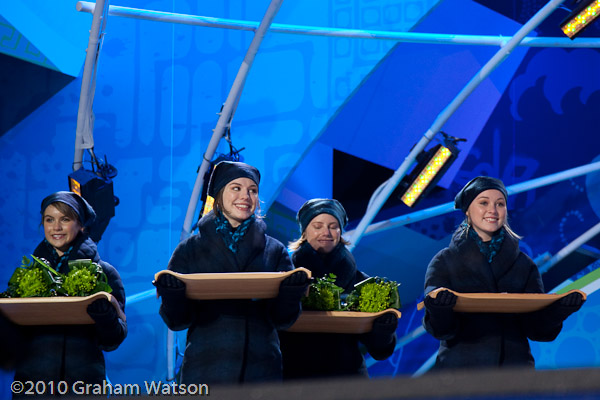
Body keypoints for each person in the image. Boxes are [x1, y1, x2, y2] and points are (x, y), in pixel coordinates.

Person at [155, 161, 308, 385]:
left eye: (252, 190)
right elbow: (177, 321)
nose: (245, 196)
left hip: (261, 372)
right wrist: (173, 296)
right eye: (236, 188)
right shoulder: (190, 249)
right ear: (219, 194)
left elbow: (283, 320)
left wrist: (290, 295)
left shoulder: (274, 250)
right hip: (205, 369)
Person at [422, 176, 585, 370]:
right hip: (461, 375)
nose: (493, 210)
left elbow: (537, 330)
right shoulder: (444, 261)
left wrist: (559, 311)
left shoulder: (524, 264)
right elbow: (441, 330)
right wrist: (440, 309)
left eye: (500, 204)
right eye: (484, 203)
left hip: (514, 375)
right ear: (467, 210)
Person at [0, 191, 127, 386]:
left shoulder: (105, 272)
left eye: (65, 219)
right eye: (49, 220)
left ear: (81, 225)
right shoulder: (27, 274)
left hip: (83, 385)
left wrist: (106, 319)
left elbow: (114, 340)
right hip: (32, 386)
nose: (56, 227)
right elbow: (14, 342)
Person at [279, 198, 398, 379]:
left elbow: (380, 351)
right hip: (292, 378)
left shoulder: (363, 284)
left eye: (333, 227)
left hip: (347, 381)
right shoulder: (284, 276)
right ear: (304, 231)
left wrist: (384, 332)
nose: (326, 232)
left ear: (340, 232)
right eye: (318, 226)